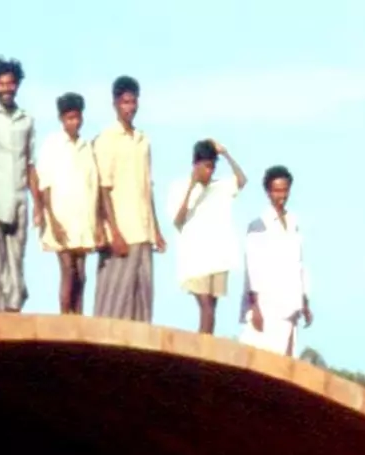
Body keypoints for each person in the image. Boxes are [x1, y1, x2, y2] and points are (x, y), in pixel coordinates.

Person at [93, 76, 163, 322]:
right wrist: (114, 232)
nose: (130, 107)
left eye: (133, 102)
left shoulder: (143, 140)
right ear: (115, 103)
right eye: (125, 102)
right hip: (121, 233)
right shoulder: (107, 139)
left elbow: (147, 186)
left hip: (144, 232)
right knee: (113, 303)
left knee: (141, 305)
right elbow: (103, 189)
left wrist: (157, 229)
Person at [167, 139, 246, 335]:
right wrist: (191, 187)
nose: (210, 171)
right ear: (196, 164)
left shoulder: (220, 186)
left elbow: (242, 180)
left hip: (218, 256)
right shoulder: (179, 186)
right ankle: (201, 349)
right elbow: (177, 221)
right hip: (194, 258)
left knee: (212, 306)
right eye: (206, 166)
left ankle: (206, 345)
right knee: (205, 305)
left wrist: (225, 153)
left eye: (212, 166)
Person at [0, 58, 37, 314]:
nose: (6, 88)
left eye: (10, 83)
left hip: (19, 198)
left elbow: (30, 163)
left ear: (17, 85)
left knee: (16, 260)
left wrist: (40, 205)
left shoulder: (27, 120)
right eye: (1, 84)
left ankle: (14, 310)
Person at [35, 92, 101, 314]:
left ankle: (78, 319)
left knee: (81, 275)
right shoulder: (52, 144)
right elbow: (45, 184)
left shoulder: (86, 147)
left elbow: (93, 186)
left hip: (82, 220)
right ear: (61, 119)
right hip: (61, 218)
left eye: (77, 117)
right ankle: (64, 320)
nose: (73, 122)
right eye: (69, 118)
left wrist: (97, 223)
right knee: (68, 271)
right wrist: (51, 220)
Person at [239, 165, 312, 356]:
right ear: (268, 192)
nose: (282, 195)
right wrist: (254, 307)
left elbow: (299, 263)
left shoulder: (294, 222)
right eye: (277, 191)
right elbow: (252, 267)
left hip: (290, 301)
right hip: (266, 304)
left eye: (285, 190)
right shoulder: (258, 225)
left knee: (287, 358)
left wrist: (305, 301)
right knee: (261, 358)